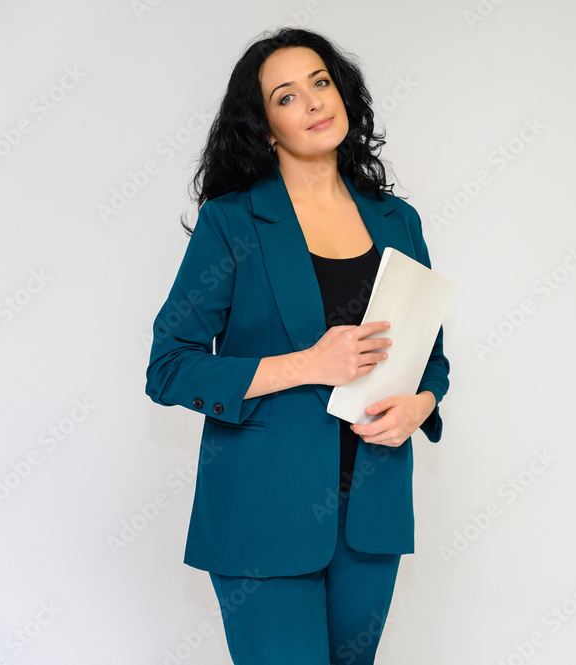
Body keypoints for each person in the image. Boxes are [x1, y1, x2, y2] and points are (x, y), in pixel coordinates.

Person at [144, 26, 450, 665]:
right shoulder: (233, 222)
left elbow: (432, 358)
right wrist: (309, 364)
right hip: (261, 514)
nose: (313, 102)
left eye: (321, 82)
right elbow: (170, 366)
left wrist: (418, 408)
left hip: (372, 517)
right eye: (286, 96)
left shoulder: (398, 221)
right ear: (264, 129)